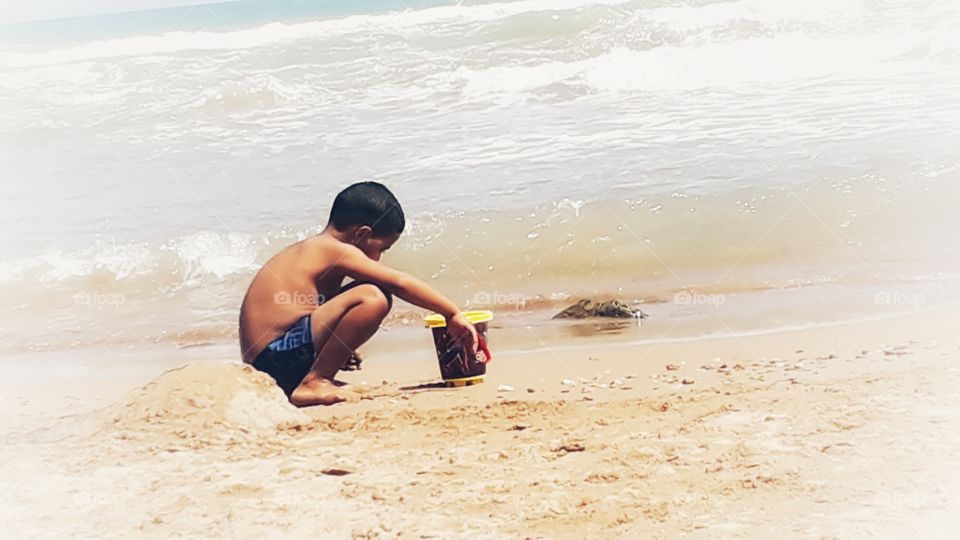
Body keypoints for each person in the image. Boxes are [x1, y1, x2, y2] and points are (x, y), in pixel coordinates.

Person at [239, 181, 478, 406]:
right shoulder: (332, 250)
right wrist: (451, 312)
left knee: (362, 292)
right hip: (274, 358)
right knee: (373, 296)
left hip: (269, 361)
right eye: (382, 248)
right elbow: (399, 282)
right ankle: (314, 382)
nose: (379, 258)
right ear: (362, 234)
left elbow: (316, 311)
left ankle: (314, 376)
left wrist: (337, 347)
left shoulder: (312, 249)